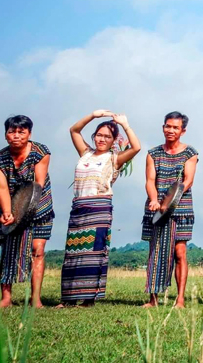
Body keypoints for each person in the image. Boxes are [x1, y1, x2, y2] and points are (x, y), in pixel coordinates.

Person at [57, 110, 141, 308]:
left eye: (107, 136)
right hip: (79, 208)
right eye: (99, 135)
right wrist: (93, 115)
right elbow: (74, 130)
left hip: (99, 209)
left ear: (114, 141)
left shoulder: (114, 159)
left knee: (94, 253)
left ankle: (88, 299)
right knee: (73, 253)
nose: (102, 139)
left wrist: (125, 124)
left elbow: (136, 147)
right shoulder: (85, 153)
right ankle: (68, 299)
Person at [0, 115, 55, 308]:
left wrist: (25, 211)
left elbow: (38, 184)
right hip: (11, 204)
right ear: (6, 135)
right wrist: (8, 212)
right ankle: (6, 298)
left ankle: (35, 299)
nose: (16, 135)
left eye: (21, 132)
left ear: (29, 133)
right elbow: (2, 188)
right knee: (8, 252)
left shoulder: (40, 152)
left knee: (37, 250)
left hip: (39, 205)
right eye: (12, 131)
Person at [141, 111, 198, 308]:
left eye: (175, 127)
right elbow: (150, 181)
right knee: (156, 251)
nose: (170, 130)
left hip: (180, 207)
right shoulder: (153, 153)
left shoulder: (190, 152)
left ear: (183, 130)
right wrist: (155, 200)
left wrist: (171, 200)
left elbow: (188, 180)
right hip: (155, 207)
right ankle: (153, 299)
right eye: (168, 126)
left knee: (180, 252)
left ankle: (180, 299)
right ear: (163, 127)